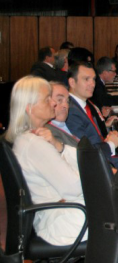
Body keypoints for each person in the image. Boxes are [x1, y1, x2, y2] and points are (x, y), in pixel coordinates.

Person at [4, 75, 87, 246]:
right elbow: (74, 187)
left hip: (59, 212)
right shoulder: (34, 144)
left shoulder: (29, 138)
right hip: (62, 222)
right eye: (47, 99)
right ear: (29, 108)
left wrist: (59, 147)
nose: (54, 103)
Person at [65, 61, 118, 169]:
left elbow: (93, 133)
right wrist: (111, 143)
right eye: (86, 79)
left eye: (93, 79)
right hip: (100, 165)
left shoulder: (83, 104)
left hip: (104, 157)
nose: (92, 84)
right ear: (72, 82)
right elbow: (86, 153)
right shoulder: (70, 111)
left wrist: (109, 134)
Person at [45, 82, 79, 148]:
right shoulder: (48, 132)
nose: (65, 105)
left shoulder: (72, 122)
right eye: (60, 100)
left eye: (67, 101)